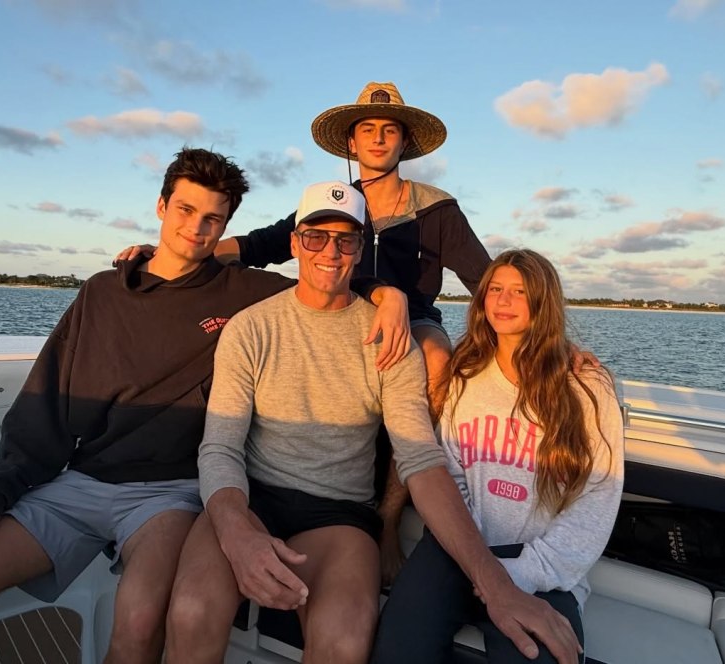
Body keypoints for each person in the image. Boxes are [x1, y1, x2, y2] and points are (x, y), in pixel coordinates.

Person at [0, 149, 408, 664]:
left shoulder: (242, 292)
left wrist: (391, 296)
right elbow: (40, 410)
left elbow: (325, 281)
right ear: (162, 206)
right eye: (185, 210)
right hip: (81, 480)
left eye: (213, 219)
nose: (196, 228)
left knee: (140, 619)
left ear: (226, 226)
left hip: (173, 494)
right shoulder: (100, 293)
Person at [162, 184, 582, 664]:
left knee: (343, 642)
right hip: (252, 498)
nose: (330, 252)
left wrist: (496, 586)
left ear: (361, 251)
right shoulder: (252, 328)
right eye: (316, 237)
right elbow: (220, 448)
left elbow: (421, 460)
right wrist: (237, 534)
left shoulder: (388, 339)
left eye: (345, 241)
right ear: (296, 243)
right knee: (192, 611)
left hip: (339, 517)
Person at [116, 82, 492, 584]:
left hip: (410, 322)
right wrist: (171, 254)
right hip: (333, 316)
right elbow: (257, 245)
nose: (378, 139)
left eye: (389, 131)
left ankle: (384, 519)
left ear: (405, 144)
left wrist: (550, 343)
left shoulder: (436, 209)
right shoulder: (332, 207)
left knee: (435, 358)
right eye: (367, 130)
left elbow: (487, 283)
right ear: (351, 146)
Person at [372, 249, 625, 664]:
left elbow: (596, 501)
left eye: (520, 292)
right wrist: (476, 561)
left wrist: (513, 576)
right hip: (454, 552)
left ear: (543, 302)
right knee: (394, 650)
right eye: (495, 289)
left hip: (543, 570)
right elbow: (449, 473)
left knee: (544, 656)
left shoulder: (587, 387)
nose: (504, 301)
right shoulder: (466, 375)